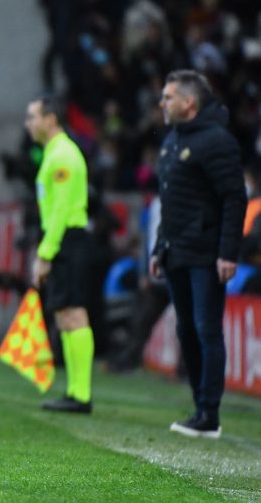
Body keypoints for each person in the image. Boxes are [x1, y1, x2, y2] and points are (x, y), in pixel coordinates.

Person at [150, 70, 246, 439]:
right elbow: (170, 200)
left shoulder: (216, 141)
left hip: (206, 253)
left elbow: (233, 198)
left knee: (207, 328)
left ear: (189, 103)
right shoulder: (174, 139)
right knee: (186, 329)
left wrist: (227, 252)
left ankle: (210, 413)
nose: (162, 103)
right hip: (176, 250)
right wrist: (160, 245)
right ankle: (200, 407)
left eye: (169, 97)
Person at [24, 95, 95, 413]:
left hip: (67, 239)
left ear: (51, 119)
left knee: (74, 313)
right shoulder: (54, 153)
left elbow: (62, 210)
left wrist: (46, 252)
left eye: (33, 117)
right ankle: (75, 391)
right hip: (63, 239)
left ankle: (81, 394)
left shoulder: (63, 155)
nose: (29, 124)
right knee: (65, 313)